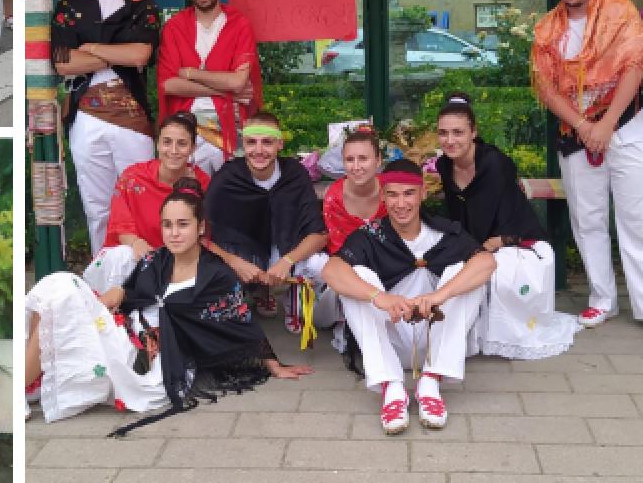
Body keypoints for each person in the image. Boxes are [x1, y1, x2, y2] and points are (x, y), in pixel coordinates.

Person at [25, 177, 312, 427]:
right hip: (123, 335)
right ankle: (29, 382)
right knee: (58, 286)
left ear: (201, 228)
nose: (174, 233)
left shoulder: (217, 277)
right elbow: (132, 290)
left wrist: (273, 365)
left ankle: (22, 389)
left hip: (155, 366)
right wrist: (117, 292)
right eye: (167, 225)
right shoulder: (155, 259)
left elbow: (240, 326)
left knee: (61, 289)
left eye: (183, 224)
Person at [323, 158, 496, 434]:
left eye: (408, 194)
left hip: (435, 339)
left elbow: (487, 262)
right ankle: (392, 389)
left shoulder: (445, 232)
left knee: (464, 272)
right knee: (357, 279)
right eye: (392, 194)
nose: (400, 203)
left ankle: (430, 382)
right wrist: (380, 297)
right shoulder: (370, 235)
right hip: (388, 339)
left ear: (422, 193)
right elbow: (331, 270)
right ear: (382, 196)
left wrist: (440, 295)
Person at [531, 0, 643, 327]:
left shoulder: (621, 12)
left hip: (625, 126)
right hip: (576, 132)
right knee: (588, 218)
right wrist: (584, 126)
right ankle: (602, 299)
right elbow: (545, 87)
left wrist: (607, 124)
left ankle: (642, 302)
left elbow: (634, 68)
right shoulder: (547, 29)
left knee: (636, 218)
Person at [435, 93, 579, 358]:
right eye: (443, 133)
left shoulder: (493, 163)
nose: (450, 140)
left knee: (497, 272)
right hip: (475, 240)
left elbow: (507, 213)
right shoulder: (444, 164)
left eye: (458, 132)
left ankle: (497, 335)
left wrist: (497, 242)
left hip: (515, 239)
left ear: (473, 132)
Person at [51, 0, 160, 255]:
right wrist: (118, 53)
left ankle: (143, 278)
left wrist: (92, 49)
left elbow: (142, 53)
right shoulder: (71, 4)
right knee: (97, 207)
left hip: (132, 115)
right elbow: (62, 61)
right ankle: (103, 279)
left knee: (140, 201)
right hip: (85, 115)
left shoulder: (141, 2)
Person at [203, 111, 333, 335]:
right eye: (251, 142)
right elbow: (203, 235)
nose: (259, 150)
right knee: (215, 272)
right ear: (243, 144)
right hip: (244, 254)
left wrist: (287, 261)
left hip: (287, 249)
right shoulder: (228, 177)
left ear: (279, 144)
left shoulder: (294, 173)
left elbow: (319, 234)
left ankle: (294, 300)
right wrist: (236, 262)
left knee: (321, 265)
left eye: (267, 142)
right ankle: (255, 293)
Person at [157, 0, 262, 174]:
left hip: (231, 126)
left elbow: (238, 82)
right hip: (186, 130)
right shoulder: (173, 28)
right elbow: (169, 84)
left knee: (230, 202)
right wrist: (223, 89)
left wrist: (192, 73)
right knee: (189, 202)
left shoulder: (239, 24)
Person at [82, 112, 211, 295]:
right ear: (157, 144)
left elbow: (204, 235)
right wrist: (136, 244)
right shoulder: (134, 177)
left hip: (179, 262)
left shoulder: (203, 184)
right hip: (136, 256)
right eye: (167, 142)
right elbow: (121, 227)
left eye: (182, 144)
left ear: (192, 148)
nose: (173, 150)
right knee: (122, 256)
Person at [323, 126, 387, 256]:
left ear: (378, 160)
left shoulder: (391, 190)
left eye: (363, 158)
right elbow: (338, 250)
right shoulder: (334, 198)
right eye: (350, 160)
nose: (356, 167)